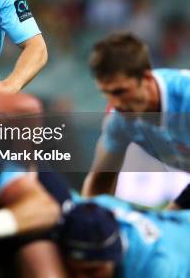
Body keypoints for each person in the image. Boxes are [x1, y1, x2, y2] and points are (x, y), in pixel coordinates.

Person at [82, 32, 190, 197]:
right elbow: (100, 182)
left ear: (146, 77)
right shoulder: (118, 119)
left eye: (120, 91)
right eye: (106, 92)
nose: (115, 103)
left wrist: (176, 207)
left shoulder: (185, 96)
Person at [59, 196, 190, 277]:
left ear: (116, 256)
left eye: (92, 271)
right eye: (73, 269)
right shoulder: (96, 206)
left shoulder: (157, 268)